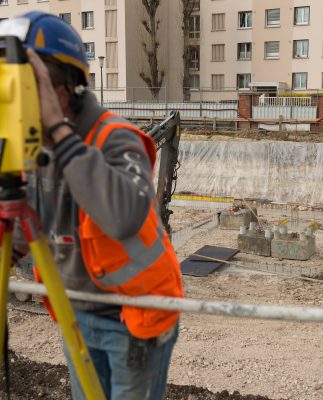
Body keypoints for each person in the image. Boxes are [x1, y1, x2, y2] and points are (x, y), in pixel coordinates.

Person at [0, 11, 184, 400]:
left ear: (61, 90)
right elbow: (21, 233)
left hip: (135, 317)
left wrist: (61, 134)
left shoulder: (117, 139)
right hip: (78, 314)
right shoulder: (34, 150)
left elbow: (122, 218)